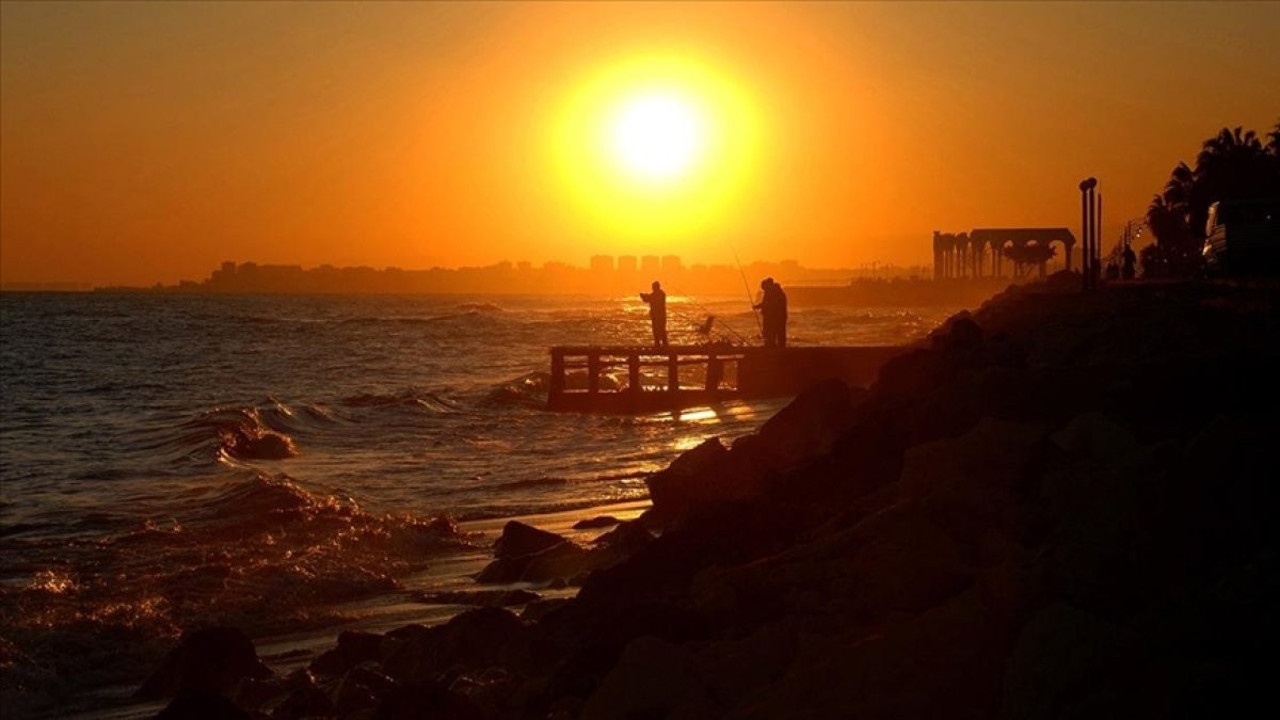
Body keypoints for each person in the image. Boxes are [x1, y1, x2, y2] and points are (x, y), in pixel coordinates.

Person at [754, 278, 787, 348]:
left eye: (764, 288)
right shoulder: (779, 292)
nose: (764, 290)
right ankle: (780, 347)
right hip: (780, 317)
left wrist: (757, 307)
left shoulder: (771, 293)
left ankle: (771, 346)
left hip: (772, 317)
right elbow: (766, 303)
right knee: (779, 332)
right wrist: (757, 307)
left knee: (770, 331)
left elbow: (767, 304)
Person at [639, 281, 667, 346]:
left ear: (656, 287)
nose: (652, 288)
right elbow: (649, 298)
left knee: (659, 329)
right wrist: (644, 296)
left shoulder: (658, 294)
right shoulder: (662, 294)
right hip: (658, 316)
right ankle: (660, 343)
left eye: (653, 287)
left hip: (659, 316)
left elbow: (648, 299)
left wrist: (643, 296)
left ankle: (661, 344)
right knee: (658, 330)